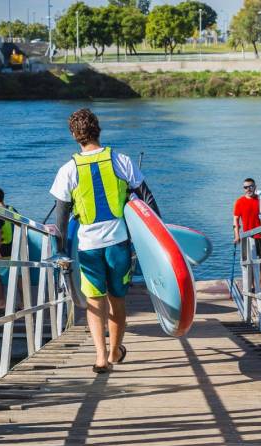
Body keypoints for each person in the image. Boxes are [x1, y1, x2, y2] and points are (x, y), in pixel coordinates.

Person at [50, 108, 160, 374]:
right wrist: (158, 240)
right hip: (118, 243)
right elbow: (149, 202)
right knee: (118, 299)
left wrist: (61, 252)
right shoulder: (121, 160)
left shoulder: (68, 170)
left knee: (95, 302)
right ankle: (115, 351)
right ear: (98, 129)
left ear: (74, 136)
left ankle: (100, 357)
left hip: (88, 248)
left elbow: (61, 220)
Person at [233, 177, 261, 293]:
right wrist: (237, 235)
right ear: (244, 189)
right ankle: (252, 286)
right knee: (250, 262)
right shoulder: (239, 202)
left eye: (251, 186)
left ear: (255, 187)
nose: (248, 189)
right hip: (247, 237)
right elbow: (236, 220)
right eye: (246, 187)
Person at [0, 188, 17, 310]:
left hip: (4, 248)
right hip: (15, 246)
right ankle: (23, 302)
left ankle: (1, 301)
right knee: (19, 274)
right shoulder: (11, 209)